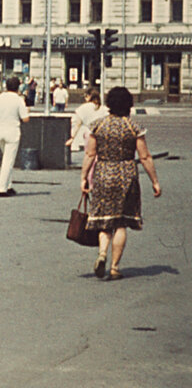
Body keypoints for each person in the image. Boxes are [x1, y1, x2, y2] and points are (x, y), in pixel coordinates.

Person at [80, 87, 161, 280]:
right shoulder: (133, 127)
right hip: (126, 175)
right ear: (129, 105)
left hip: (103, 174)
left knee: (104, 220)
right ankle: (115, 267)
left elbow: (90, 154)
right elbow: (145, 157)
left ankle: (102, 253)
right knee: (121, 222)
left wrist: (84, 177)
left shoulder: (98, 125)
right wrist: (155, 181)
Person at [0, 76, 30, 197]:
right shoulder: (18, 100)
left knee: (7, 158)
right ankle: (1, 188)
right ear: (18, 87)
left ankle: (8, 185)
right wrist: (27, 111)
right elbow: (25, 119)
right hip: (12, 131)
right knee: (8, 160)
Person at [66, 87, 108, 157]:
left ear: (89, 96)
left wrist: (72, 138)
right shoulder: (103, 108)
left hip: (89, 135)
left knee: (90, 156)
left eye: (85, 96)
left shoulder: (82, 108)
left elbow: (77, 124)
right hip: (102, 135)